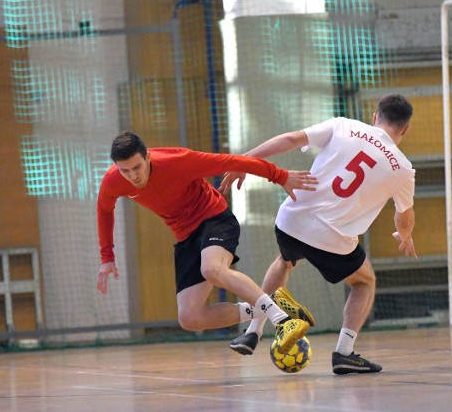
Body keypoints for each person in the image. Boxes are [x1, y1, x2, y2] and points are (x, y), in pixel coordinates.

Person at [220, 94, 417, 374]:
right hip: (333, 239)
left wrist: (244, 161)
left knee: (284, 261)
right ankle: (344, 353)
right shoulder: (403, 169)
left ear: (375, 117)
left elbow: (289, 139)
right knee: (364, 282)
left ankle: (253, 330)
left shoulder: (344, 125)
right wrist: (404, 234)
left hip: (291, 220)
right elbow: (404, 216)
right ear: (405, 129)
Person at [96, 131, 319, 354]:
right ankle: (276, 307)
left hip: (214, 219)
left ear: (148, 158)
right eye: (125, 170)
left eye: (137, 167)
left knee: (212, 269)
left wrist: (280, 176)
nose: (133, 176)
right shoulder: (113, 180)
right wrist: (107, 257)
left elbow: (232, 161)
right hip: (185, 236)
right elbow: (104, 210)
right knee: (190, 318)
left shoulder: (177, 161)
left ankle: (281, 320)